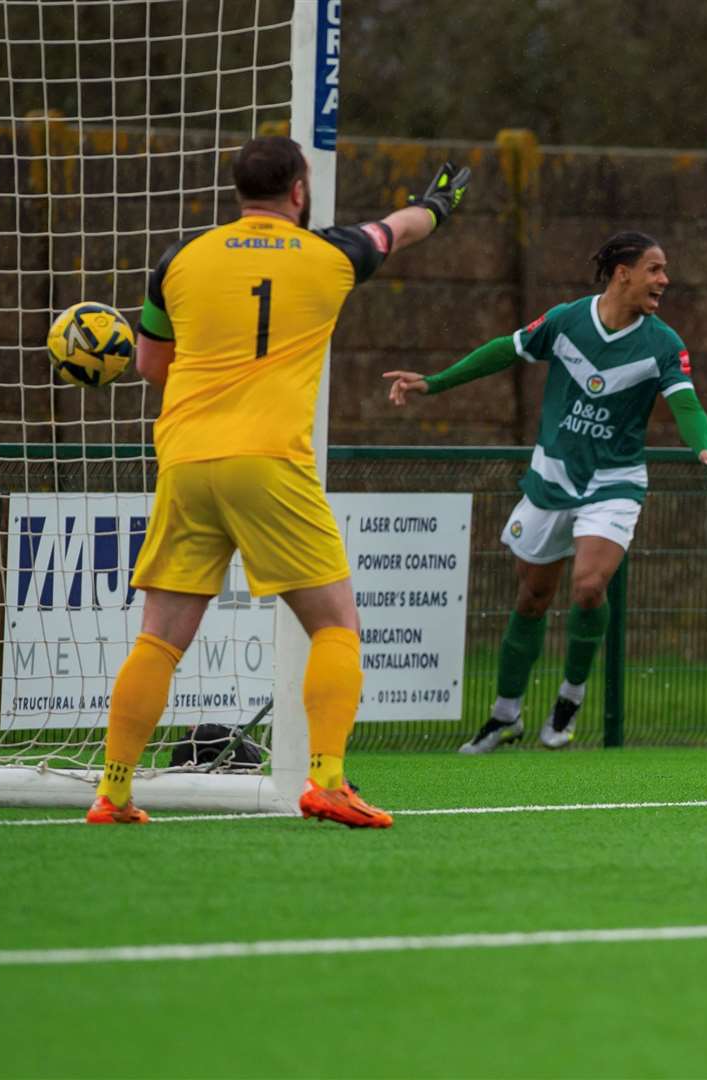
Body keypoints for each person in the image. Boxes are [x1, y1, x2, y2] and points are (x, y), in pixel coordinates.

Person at [87, 136, 468, 827]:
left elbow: (149, 365)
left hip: (185, 458)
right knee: (336, 626)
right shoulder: (333, 253)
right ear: (299, 189)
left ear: (240, 191)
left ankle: (112, 792)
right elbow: (401, 228)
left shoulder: (180, 258)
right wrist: (438, 204)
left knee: (159, 641)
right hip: (268, 463)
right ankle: (326, 779)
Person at [386, 232, 707, 753]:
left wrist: (704, 447)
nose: (664, 280)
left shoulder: (664, 344)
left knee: (589, 586)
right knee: (532, 597)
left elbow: (686, 404)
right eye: (655, 269)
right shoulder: (567, 320)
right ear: (623, 273)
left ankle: (570, 696)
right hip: (552, 478)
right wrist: (434, 383)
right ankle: (505, 714)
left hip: (614, 481)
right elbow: (504, 351)